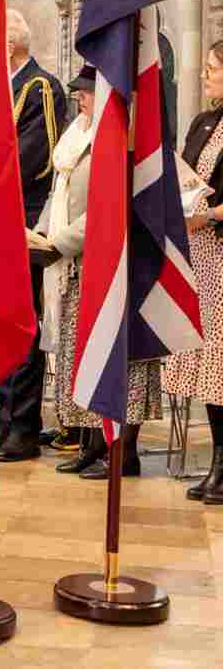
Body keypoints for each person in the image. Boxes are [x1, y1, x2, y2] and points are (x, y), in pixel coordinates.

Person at [39, 68, 162, 479]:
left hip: (111, 265)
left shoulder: (119, 139)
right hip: (76, 264)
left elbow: (110, 205)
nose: (80, 99)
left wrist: (61, 243)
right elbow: (62, 191)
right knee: (81, 355)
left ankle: (122, 452)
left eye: (87, 94)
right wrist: (39, 236)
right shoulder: (76, 136)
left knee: (118, 360)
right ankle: (91, 443)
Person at [0, 8, 71, 462]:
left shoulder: (38, 87)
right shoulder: (0, 88)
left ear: (10, 44)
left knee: (21, 326)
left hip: (24, 218)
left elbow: (35, 155)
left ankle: (22, 426)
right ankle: (0, 419)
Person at [166, 42, 223, 504]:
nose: (205, 77)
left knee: (222, 364)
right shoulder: (204, 121)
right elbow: (185, 171)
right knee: (208, 364)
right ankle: (217, 464)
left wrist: (211, 215)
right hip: (198, 250)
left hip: (220, 245)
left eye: (212, 69)